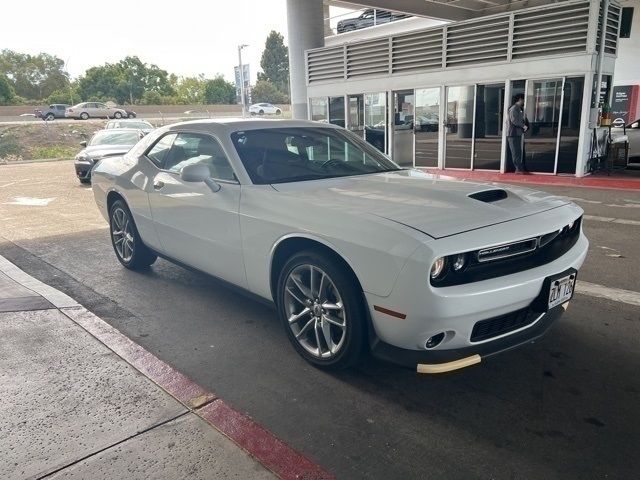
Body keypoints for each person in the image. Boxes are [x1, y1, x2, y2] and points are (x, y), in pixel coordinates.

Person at [506, 94, 529, 174]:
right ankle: (518, 169)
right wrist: (523, 126)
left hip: (517, 133)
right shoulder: (514, 108)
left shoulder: (519, 108)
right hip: (513, 133)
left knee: (518, 151)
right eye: (523, 99)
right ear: (520, 99)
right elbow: (514, 120)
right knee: (515, 151)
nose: (524, 101)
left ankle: (519, 168)